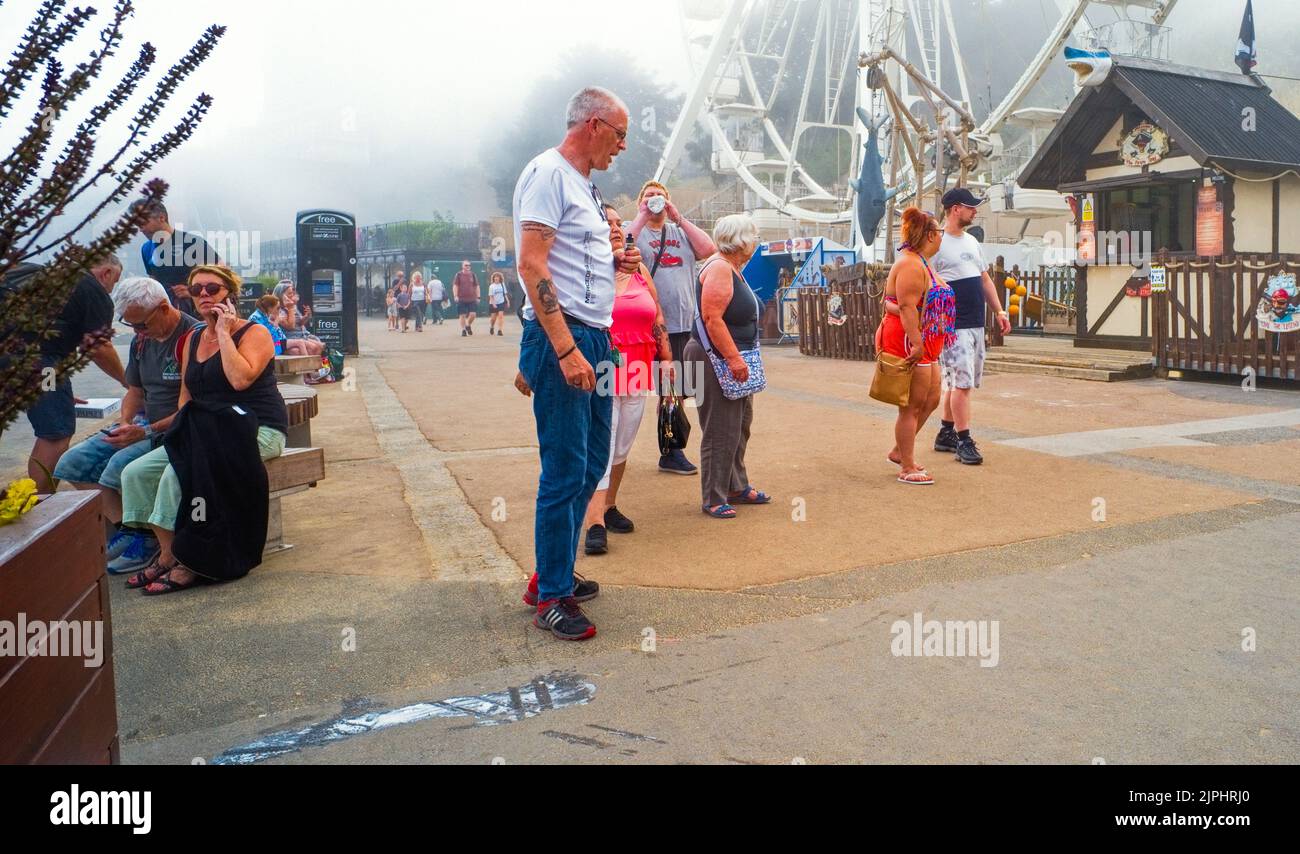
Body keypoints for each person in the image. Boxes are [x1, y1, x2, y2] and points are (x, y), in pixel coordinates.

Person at [513, 85, 640, 640]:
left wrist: (615, 260)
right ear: (593, 124)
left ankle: (554, 571)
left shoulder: (584, 186)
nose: (622, 147)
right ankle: (552, 596)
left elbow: (567, 260)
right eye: (620, 135)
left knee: (590, 465)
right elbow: (532, 265)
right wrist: (561, 348)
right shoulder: (548, 173)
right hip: (568, 338)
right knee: (565, 470)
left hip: (596, 336)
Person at [118, 265, 287, 595]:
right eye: (196, 290)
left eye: (212, 288)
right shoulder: (192, 338)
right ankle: (167, 553)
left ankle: (192, 560)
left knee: (176, 475)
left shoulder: (254, 333)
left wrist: (223, 332)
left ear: (230, 294)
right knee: (135, 473)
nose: (204, 295)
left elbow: (239, 379)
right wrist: (179, 432)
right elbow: (186, 395)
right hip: (204, 428)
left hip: (256, 428)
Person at [55, 277, 200, 573]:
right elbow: (134, 391)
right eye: (130, 325)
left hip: (176, 428)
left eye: (141, 325)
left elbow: (193, 406)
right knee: (71, 462)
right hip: (143, 424)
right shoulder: (142, 340)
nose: (137, 332)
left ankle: (145, 538)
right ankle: (131, 530)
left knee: (118, 466)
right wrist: (125, 424)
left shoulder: (193, 337)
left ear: (163, 308)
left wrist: (144, 431)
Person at [580, 204, 674, 555]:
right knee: (601, 446)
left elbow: (657, 314)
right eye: (608, 223)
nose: (617, 228)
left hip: (638, 370)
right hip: (604, 370)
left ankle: (608, 505)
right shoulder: (588, 273)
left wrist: (666, 358)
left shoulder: (639, 272)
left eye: (619, 223)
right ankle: (594, 523)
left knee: (623, 444)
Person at [5, 262, 127, 493]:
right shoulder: (92, 289)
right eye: (115, 280)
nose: (112, 288)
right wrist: (127, 380)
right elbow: (98, 348)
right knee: (55, 434)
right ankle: (40, 506)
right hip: (38, 363)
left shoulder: (36, 271)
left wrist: (58, 391)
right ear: (107, 272)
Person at [684, 214, 770, 519]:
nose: (756, 242)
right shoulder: (720, 267)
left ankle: (735, 485)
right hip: (717, 359)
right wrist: (733, 357)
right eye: (754, 236)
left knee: (739, 425)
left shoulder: (732, 267)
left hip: (732, 357)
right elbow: (712, 318)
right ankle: (714, 496)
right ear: (741, 240)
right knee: (720, 429)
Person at [628, 180, 716, 476]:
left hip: (685, 324)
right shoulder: (635, 230)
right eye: (649, 196)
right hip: (653, 325)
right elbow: (619, 246)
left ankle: (671, 448)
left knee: (680, 389)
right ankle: (671, 451)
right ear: (641, 201)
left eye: (660, 196)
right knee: (669, 388)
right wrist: (641, 215)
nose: (655, 200)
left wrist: (678, 216)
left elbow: (708, 248)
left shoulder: (679, 231)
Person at [931, 187, 1011, 465]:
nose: (975, 211)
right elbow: (924, 279)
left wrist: (999, 310)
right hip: (952, 325)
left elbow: (985, 279)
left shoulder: (972, 242)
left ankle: (945, 433)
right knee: (962, 383)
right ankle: (964, 440)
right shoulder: (936, 243)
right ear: (955, 209)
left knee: (959, 382)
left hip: (976, 322)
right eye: (971, 207)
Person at [880, 207, 955, 485]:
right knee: (911, 405)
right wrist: (916, 341)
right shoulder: (911, 264)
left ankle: (901, 450)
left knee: (932, 399)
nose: (942, 237)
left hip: (927, 341)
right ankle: (907, 466)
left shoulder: (921, 262)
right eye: (940, 232)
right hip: (910, 339)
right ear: (931, 235)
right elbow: (907, 305)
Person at [130, 199, 221, 318]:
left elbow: (223, 276)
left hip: (198, 317)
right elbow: (154, 283)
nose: (141, 229)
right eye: (137, 225)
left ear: (161, 218)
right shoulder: (146, 249)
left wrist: (192, 291)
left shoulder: (193, 243)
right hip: (165, 317)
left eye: (143, 223)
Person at [272, 280, 325, 355]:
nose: (293, 295)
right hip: (289, 338)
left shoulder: (293, 306)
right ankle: (307, 365)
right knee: (312, 348)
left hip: (300, 335)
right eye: (290, 293)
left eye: (293, 293)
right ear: (281, 295)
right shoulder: (279, 310)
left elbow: (299, 322)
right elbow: (291, 327)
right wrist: (290, 308)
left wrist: (306, 316)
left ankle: (314, 365)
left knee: (320, 346)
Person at [454, 260, 480, 336]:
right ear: (462, 266)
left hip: (472, 298)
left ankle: (468, 325)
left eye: (469, 265)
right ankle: (463, 330)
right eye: (466, 265)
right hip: (461, 298)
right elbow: (455, 286)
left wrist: (478, 297)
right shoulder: (458, 275)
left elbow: (477, 286)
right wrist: (455, 296)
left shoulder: (473, 275)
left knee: (473, 314)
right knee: (462, 315)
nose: (468, 266)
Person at [487, 272, 509, 336]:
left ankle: (500, 330)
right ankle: (492, 327)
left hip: (501, 302)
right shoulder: (491, 286)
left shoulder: (502, 284)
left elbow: (505, 294)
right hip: (493, 303)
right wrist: (494, 304)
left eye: (498, 277)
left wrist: (507, 301)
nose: (496, 278)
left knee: (501, 316)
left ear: (500, 278)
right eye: (495, 277)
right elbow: (491, 296)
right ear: (493, 279)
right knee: (493, 318)